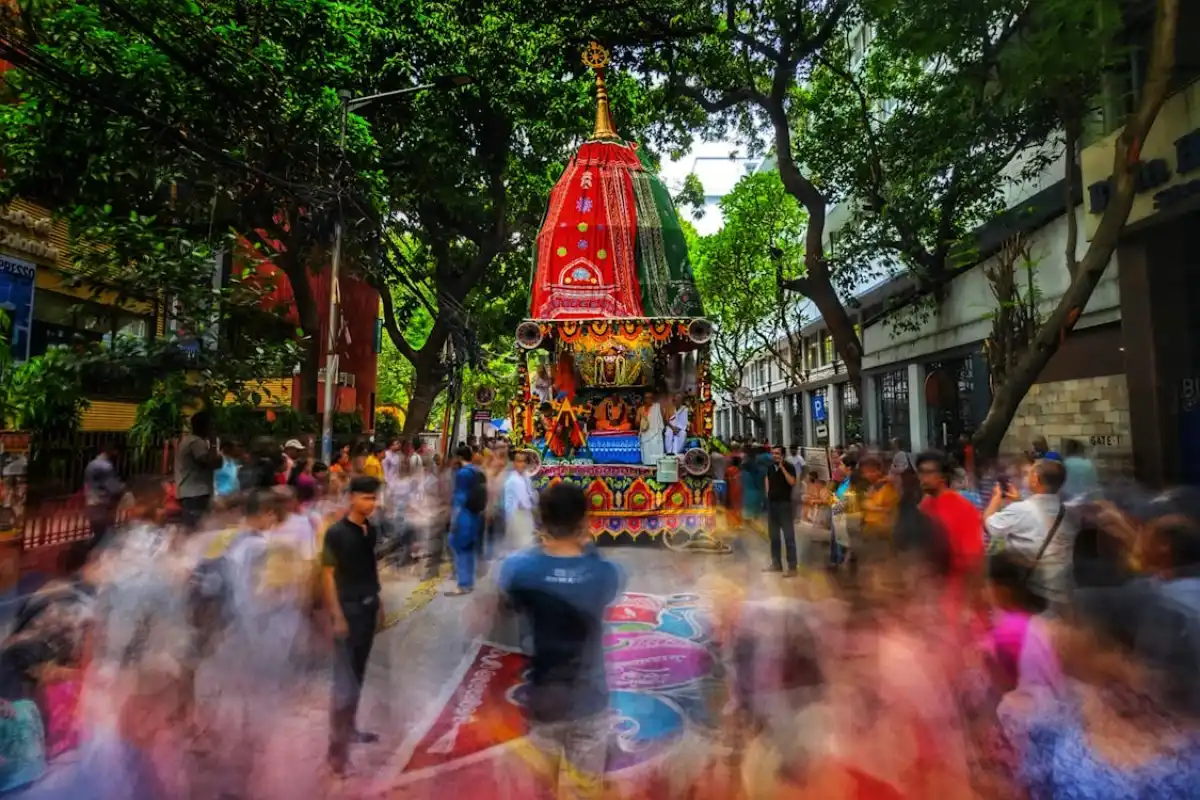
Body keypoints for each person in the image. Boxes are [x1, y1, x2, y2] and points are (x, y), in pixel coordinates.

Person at [497, 482, 623, 798]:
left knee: (539, 790)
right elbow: (601, 571)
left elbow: (505, 609)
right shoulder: (604, 573)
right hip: (590, 700)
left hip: (544, 702)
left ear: (542, 520)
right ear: (584, 520)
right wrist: (587, 545)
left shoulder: (520, 570)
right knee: (586, 790)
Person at [321, 476, 384, 775]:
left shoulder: (370, 530)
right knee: (343, 683)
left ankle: (352, 728)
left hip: (369, 608)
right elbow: (328, 576)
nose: (371, 503)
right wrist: (336, 615)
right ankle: (336, 753)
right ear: (352, 498)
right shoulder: (336, 534)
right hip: (348, 611)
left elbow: (370, 567)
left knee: (357, 675)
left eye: (374, 498)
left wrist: (379, 602)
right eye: (366, 498)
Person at [985, 458, 1076, 610]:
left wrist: (996, 498)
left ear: (1035, 479)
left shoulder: (1021, 510)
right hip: (1063, 591)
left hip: (1033, 593)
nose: (1025, 477)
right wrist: (1019, 499)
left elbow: (989, 524)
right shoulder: (1068, 512)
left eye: (1029, 473)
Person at [445, 445, 486, 597]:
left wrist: (453, 519)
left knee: (460, 549)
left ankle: (462, 584)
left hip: (464, 515)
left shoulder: (462, 474)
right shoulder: (478, 471)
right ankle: (469, 582)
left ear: (459, 457)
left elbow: (460, 498)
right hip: (476, 515)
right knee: (469, 549)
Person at [175, 410, 222, 529]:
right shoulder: (197, 442)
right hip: (197, 493)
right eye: (211, 425)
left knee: (191, 527)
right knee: (197, 528)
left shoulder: (188, 441)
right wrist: (213, 443)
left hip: (189, 492)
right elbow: (211, 463)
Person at [764, 445, 798, 576]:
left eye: (777, 453)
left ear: (783, 455)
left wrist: (782, 467)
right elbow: (767, 479)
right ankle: (776, 563)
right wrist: (767, 494)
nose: (775, 456)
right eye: (773, 453)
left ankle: (792, 567)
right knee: (774, 536)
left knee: (789, 536)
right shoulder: (770, 467)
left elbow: (792, 482)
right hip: (772, 505)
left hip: (785, 506)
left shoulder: (789, 467)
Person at [83, 441, 123, 547]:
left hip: (90, 502)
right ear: (112, 451)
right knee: (104, 536)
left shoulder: (91, 464)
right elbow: (113, 488)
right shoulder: (106, 466)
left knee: (98, 533)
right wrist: (122, 488)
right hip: (102, 504)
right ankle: (90, 556)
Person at [504, 450, 537, 551]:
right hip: (516, 517)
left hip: (526, 515)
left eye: (524, 461)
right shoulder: (513, 480)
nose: (521, 464)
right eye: (518, 461)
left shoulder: (526, 477)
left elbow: (531, 494)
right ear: (514, 463)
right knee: (521, 547)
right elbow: (522, 503)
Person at [638, 390, 665, 466]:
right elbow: (636, 422)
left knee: (656, 441)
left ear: (653, 399)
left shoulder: (657, 407)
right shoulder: (640, 409)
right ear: (644, 399)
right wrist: (643, 421)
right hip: (645, 432)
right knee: (647, 449)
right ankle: (647, 463)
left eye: (650, 398)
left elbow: (661, 420)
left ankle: (656, 462)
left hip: (655, 432)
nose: (648, 399)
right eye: (646, 398)